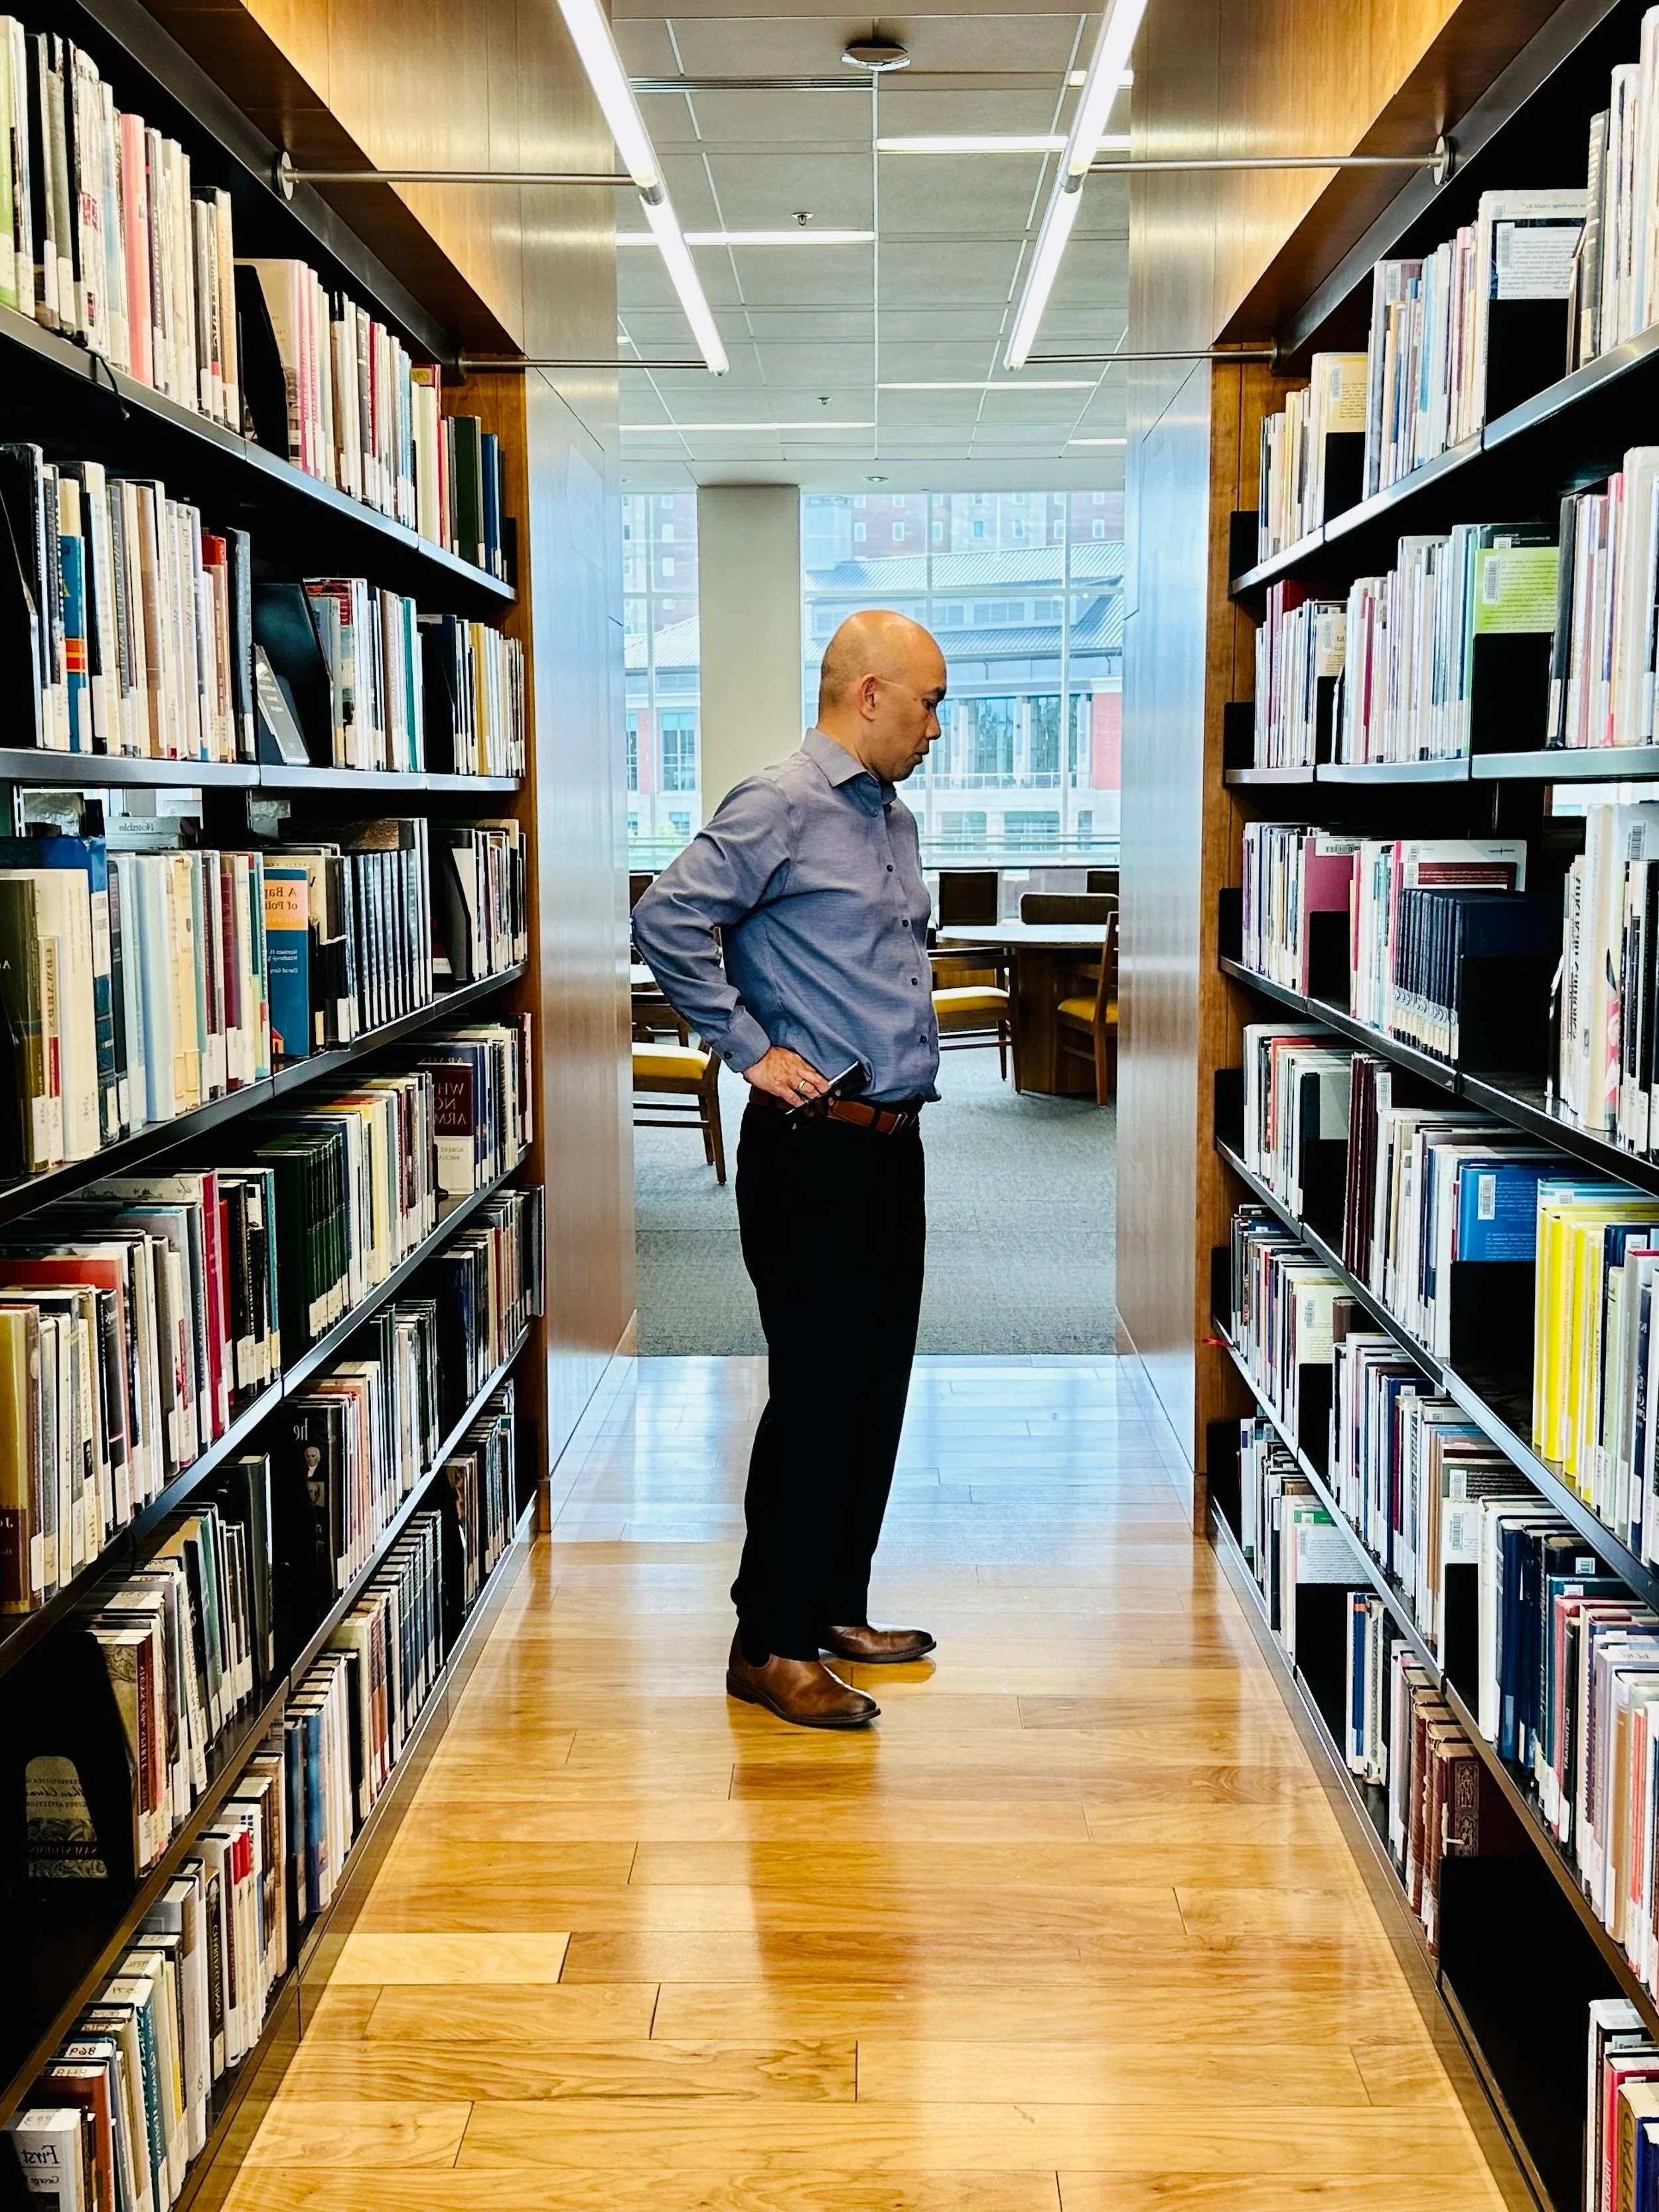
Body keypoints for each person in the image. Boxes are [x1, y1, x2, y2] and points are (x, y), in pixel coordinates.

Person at [630, 609, 948, 1730]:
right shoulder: (778, 804)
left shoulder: (890, 817)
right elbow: (667, 919)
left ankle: (828, 1605)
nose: (937, 727)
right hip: (812, 1152)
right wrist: (749, 1049)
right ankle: (764, 1643)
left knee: (874, 1392)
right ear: (867, 694)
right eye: (928, 703)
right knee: (815, 1396)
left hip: (891, 1144)